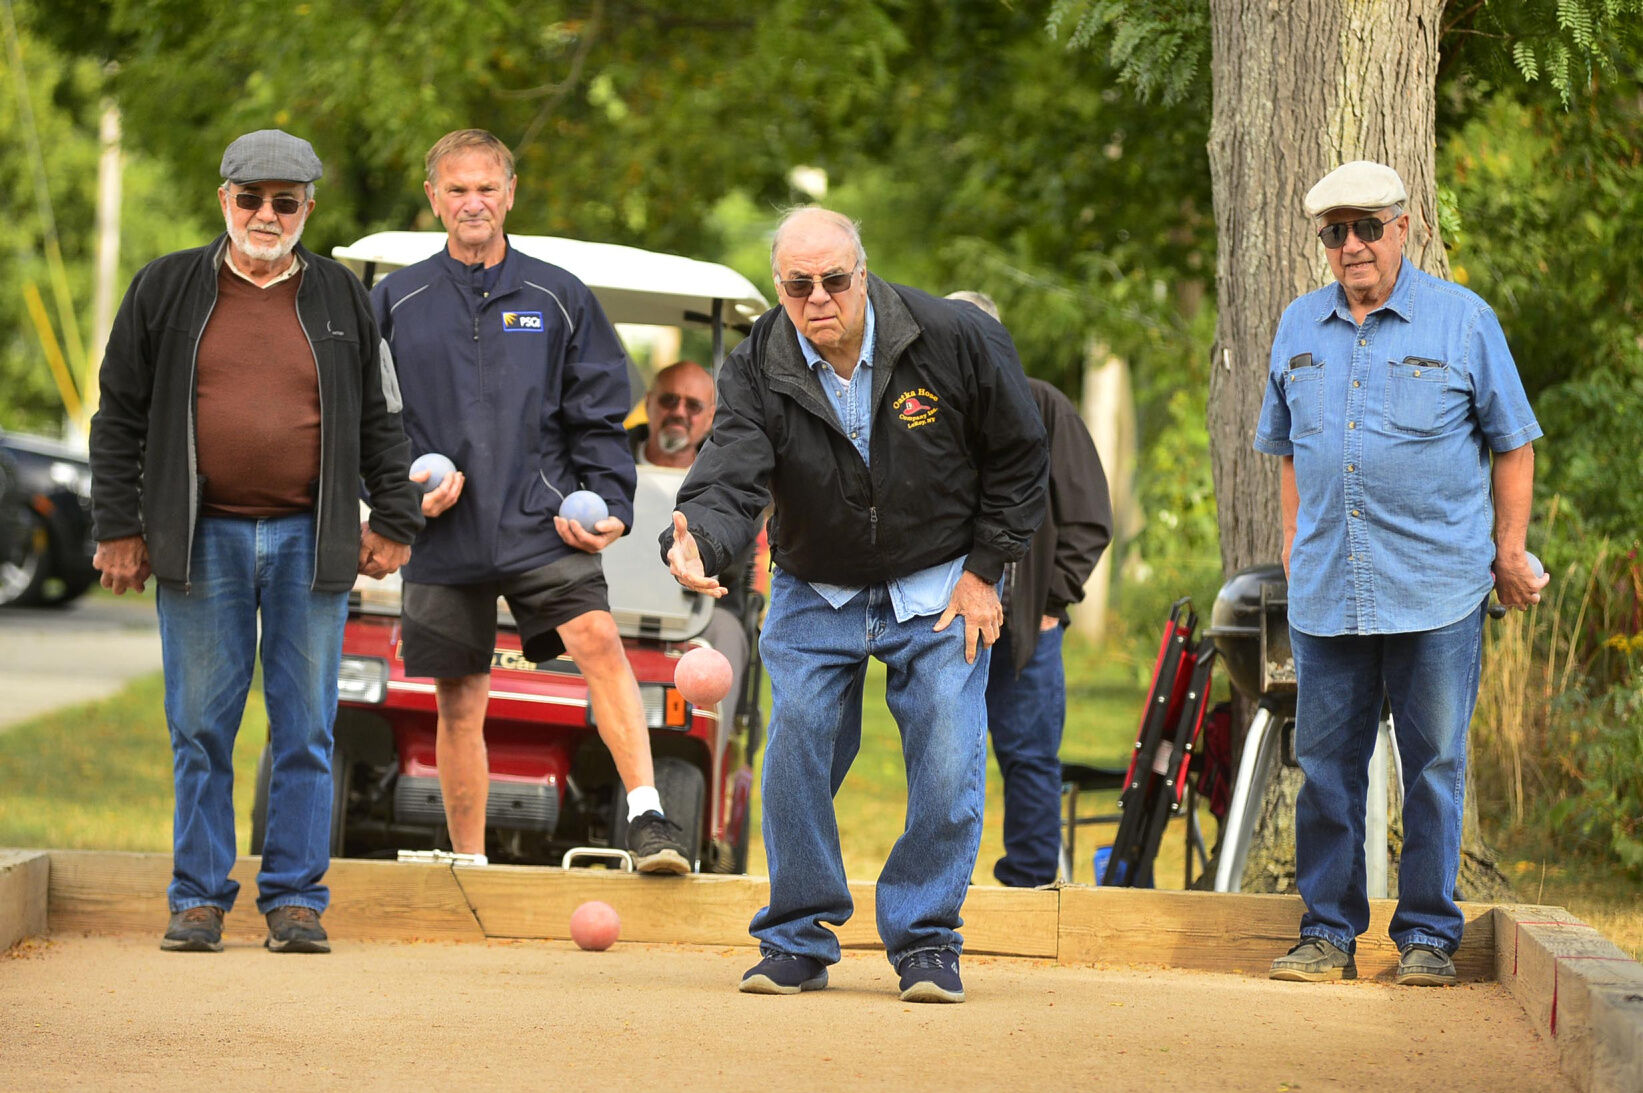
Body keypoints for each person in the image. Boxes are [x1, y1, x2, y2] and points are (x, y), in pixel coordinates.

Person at [663, 207, 1048, 1003]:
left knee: (947, 758)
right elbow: (733, 465)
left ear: (862, 274)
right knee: (796, 748)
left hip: (938, 579)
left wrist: (984, 571)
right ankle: (797, 937)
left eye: (834, 279)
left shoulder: (953, 338)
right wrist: (701, 534)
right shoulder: (758, 359)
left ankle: (926, 940)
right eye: (797, 284)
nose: (817, 298)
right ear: (779, 286)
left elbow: (1019, 455)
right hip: (817, 580)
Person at [89, 129, 423, 955]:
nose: (266, 215)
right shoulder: (165, 288)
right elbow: (118, 417)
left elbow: (384, 417)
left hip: (312, 538)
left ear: (308, 206)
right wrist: (119, 526)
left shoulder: (344, 297)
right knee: (200, 723)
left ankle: (296, 899)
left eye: (284, 200)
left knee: (306, 726)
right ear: (224, 201)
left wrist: (393, 517)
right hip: (200, 540)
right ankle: (199, 897)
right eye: (251, 198)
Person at [1254, 161, 1547, 987]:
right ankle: (1326, 933)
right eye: (1334, 232)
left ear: (1401, 228)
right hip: (1326, 590)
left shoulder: (1462, 321)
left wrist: (1508, 550)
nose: (1350, 246)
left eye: (1366, 228)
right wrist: (1290, 541)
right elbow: (1284, 451)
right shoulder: (1296, 326)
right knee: (1325, 770)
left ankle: (1425, 935)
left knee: (1434, 767)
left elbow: (1512, 441)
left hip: (1437, 589)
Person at [371, 129, 691, 874]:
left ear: (510, 193)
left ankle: (647, 819)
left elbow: (599, 414)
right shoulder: (393, 300)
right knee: (459, 698)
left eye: (487, 187)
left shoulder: (558, 294)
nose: (473, 202)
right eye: (457, 189)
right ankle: (471, 864)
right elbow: (371, 423)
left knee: (599, 643)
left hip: (541, 520)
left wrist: (609, 500)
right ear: (434, 199)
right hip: (440, 529)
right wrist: (397, 495)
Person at [946, 292, 1113, 889]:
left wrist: (1050, 604)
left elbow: (1089, 518)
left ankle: (1032, 885)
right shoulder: (927, 411)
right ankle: (941, 889)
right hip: (944, 626)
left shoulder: (1044, 405)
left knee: (1029, 760)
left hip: (1026, 629)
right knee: (943, 764)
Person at [627, 361, 754, 730]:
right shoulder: (607, 459)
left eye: (693, 406)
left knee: (727, 633)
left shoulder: (726, 474)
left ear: (711, 415)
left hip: (693, 604)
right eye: (668, 400)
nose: (679, 413)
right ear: (649, 403)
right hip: (608, 596)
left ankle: (714, 754)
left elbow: (735, 542)